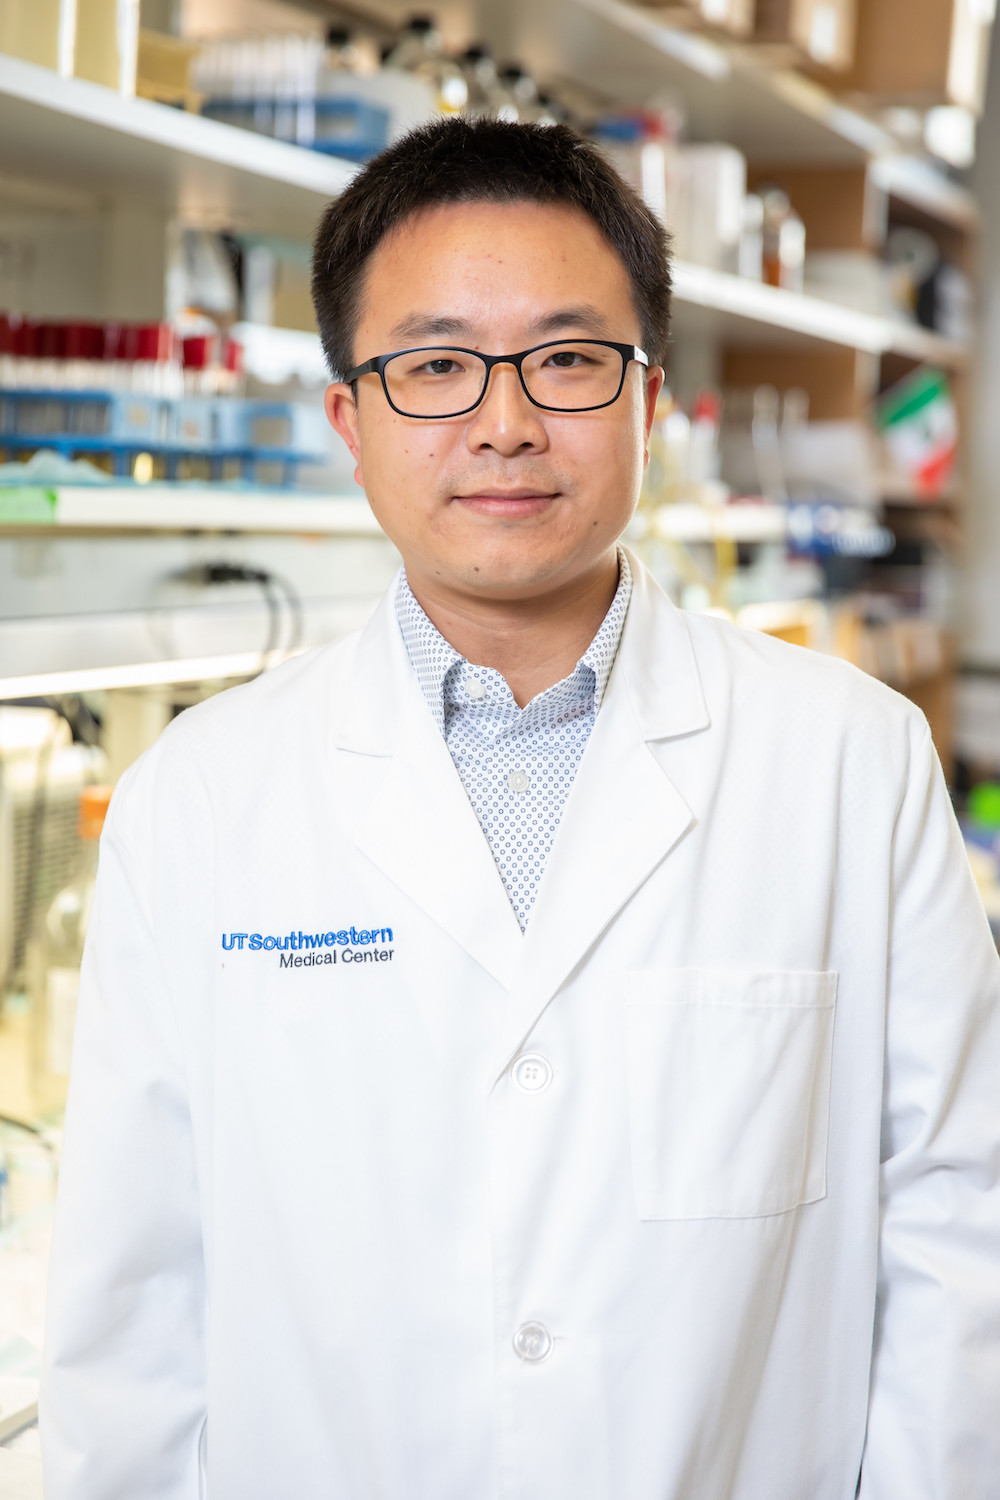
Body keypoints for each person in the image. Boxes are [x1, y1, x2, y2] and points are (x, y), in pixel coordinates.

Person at [41, 119, 1000, 1500]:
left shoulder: (852, 761)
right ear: (350, 420)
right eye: (435, 366)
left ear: (648, 403)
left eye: (567, 359)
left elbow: (961, 1240)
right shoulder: (199, 798)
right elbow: (131, 1310)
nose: (505, 424)